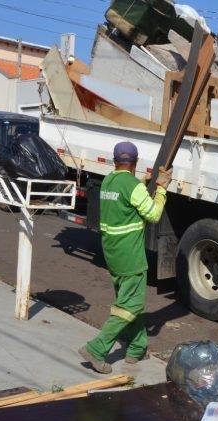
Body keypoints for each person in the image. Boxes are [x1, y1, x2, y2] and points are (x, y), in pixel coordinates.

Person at [78, 141, 172, 374]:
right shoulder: (133, 186)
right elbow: (154, 214)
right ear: (136, 162)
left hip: (113, 252)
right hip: (130, 255)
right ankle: (97, 348)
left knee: (128, 301)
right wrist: (161, 188)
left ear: (114, 161)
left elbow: (125, 195)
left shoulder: (109, 180)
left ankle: (137, 347)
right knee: (131, 304)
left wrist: (143, 184)